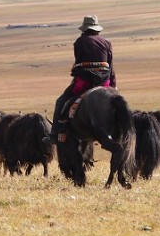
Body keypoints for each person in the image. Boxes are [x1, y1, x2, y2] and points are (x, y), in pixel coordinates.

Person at [46, 15, 116, 144]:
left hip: (85, 82)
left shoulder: (80, 42)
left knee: (61, 101)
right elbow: (111, 67)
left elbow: (79, 62)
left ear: (84, 29)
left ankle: (55, 134)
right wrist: (113, 86)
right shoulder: (107, 43)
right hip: (104, 82)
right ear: (97, 29)